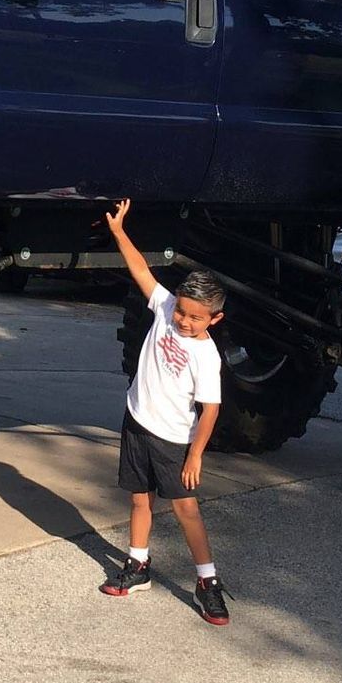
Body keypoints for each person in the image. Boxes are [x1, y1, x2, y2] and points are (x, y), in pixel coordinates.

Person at [98, 198, 230, 625]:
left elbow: (209, 409)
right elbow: (140, 270)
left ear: (214, 318)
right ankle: (138, 566)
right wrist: (119, 231)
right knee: (140, 499)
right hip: (137, 422)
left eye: (195, 317)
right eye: (182, 311)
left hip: (173, 439)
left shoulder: (206, 356)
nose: (184, 321)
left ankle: (207, 581)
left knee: (185, 508)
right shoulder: (164, 309)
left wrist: (195, 454)